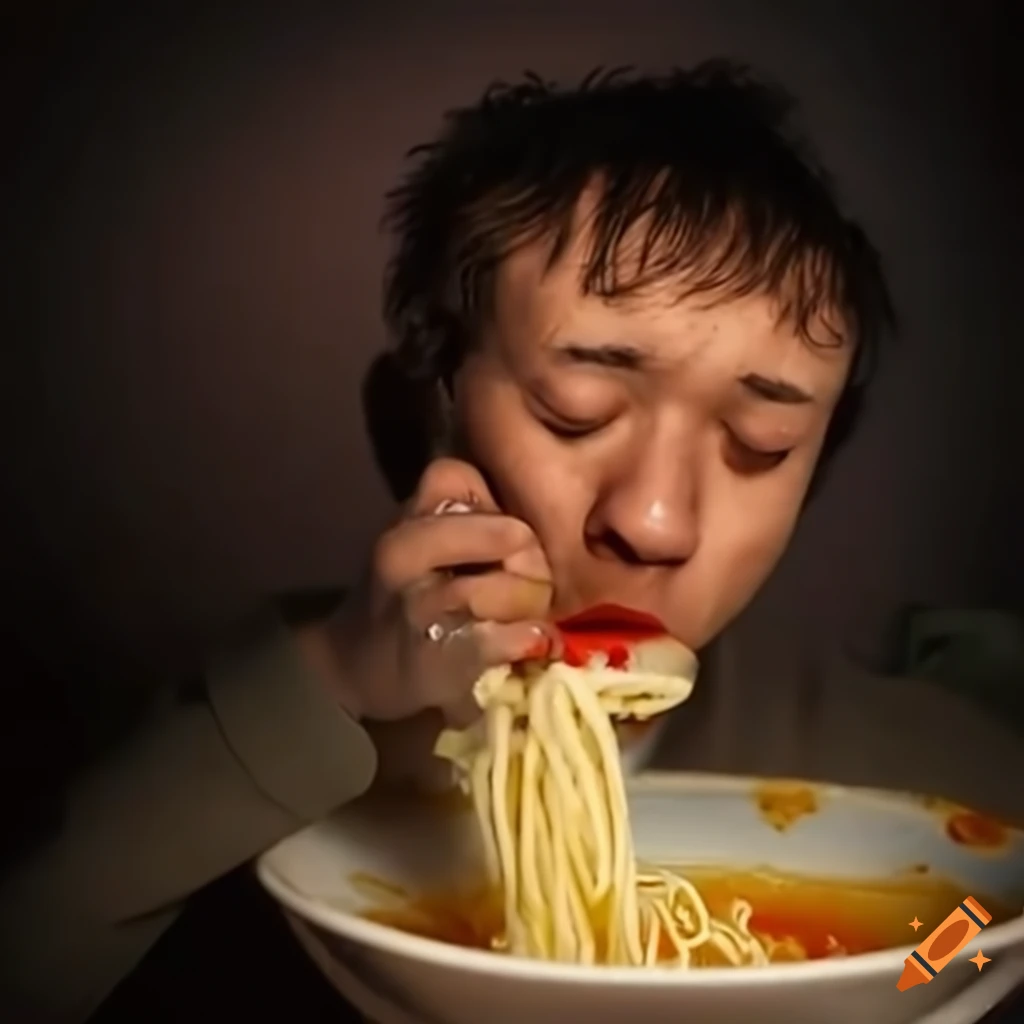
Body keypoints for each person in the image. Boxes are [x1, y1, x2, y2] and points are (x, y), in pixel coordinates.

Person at [3, 61, 1022, 1022]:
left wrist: (918, 991)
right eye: (576, 411)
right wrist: (330, 675)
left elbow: (984, 939)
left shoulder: (931, 778)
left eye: (760, 444)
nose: (653, 519)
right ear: (424, 418)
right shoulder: (246, 741)